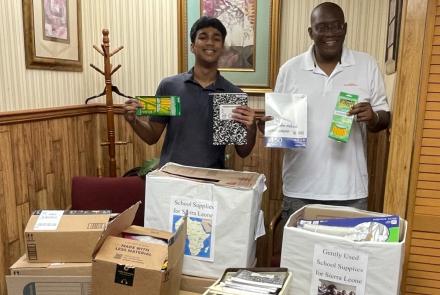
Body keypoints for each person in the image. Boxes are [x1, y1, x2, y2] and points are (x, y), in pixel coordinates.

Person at [260, 2, 390, 220]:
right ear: (311, 32)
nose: (330, 33)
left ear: (345, 28)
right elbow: (280, 127)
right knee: (301, 255)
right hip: (300, 189)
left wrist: (374, 116)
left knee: (347, 254)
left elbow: (384, 117)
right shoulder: (290, 70)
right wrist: (268, 127)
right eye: (322, 27)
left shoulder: (367, 65)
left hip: (350, 190)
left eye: (336, 26)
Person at [123, 16, 257, 168]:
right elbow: (152, 136)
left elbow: (243, 152)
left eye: (216, 38)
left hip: (211, 181)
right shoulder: (170, 87)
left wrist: (251, 129)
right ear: (193, 46)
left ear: (222, 48)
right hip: (173, 179)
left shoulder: (233, 94)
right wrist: (133, 120)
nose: (210, 42)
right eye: (203, 37)